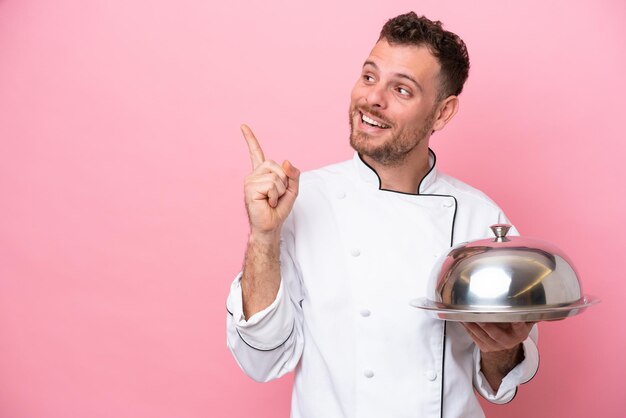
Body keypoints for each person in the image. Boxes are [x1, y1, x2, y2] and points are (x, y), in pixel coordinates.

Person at [226, 12, 539, 418]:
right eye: (369, 77)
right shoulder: (300, 201)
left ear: (442, 113)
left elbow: (503, 382)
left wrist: (504, 349)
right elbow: (261, 360)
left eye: (402, 90)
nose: (373, 98)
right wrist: (263, 238)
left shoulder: (481, 219)